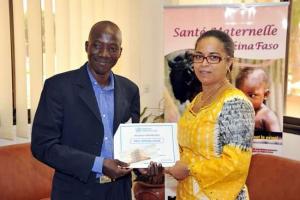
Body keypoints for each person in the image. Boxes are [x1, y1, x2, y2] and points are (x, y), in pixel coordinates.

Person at [31, 21, 140, 200]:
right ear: (87, 46)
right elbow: (43, 145)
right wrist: (99, 164)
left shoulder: (130, 90)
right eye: (97, 46)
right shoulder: (58, 87)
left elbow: (132, 142)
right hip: (75, 191)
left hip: (119, 192)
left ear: (120, 52)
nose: (104, 54)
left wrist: (143, 165)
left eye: (112, 48)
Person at [165, 30, 255, 200]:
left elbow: (235, 165)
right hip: (187, 193)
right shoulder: (197, 99)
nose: (203, 64)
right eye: (198, 56)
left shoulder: (236, 104)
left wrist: (189, 168)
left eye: (213, 57)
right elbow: (185, 146)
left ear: (229, 62)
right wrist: (164, 160)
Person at [235, 67, 281, 133]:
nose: (245, 100)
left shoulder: (267, 115)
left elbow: (276, 139)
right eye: (241, 95)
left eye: (252, 95)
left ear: (265, 95)